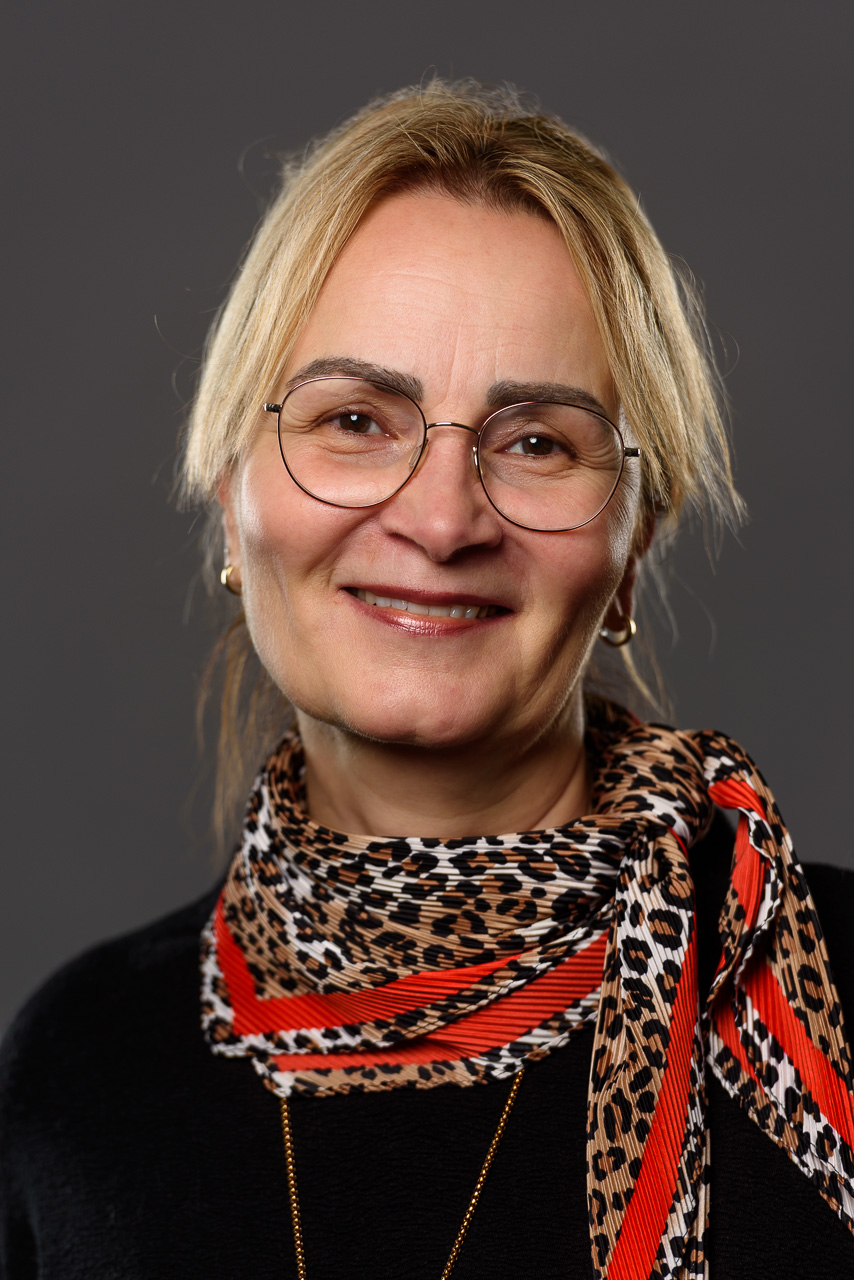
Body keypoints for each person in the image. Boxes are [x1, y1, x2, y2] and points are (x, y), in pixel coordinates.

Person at [2, 80, 853, 1280]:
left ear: (630, 549)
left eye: (536, 441)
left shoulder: (836, 999)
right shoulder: (81, 1066)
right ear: (232, 504)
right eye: (356, 420)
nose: (443, 519)